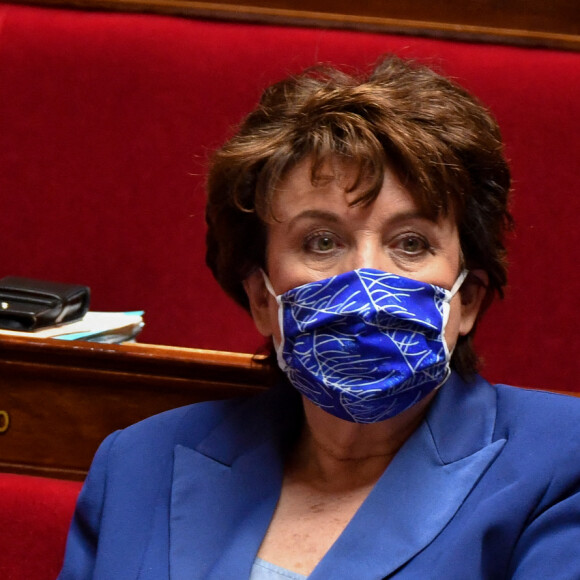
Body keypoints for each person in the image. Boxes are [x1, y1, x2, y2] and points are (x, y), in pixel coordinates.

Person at [59, 55, 580, 579]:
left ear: (468, 299)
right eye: (322, 242)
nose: (367, 281)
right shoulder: (139, 464)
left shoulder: (560, 466)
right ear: (263, 297)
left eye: (411, 243)